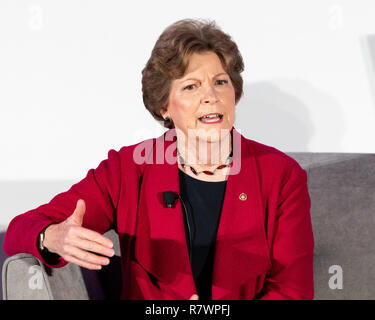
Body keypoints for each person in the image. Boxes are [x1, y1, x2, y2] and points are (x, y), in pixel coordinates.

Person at [3, 18, 314, 300]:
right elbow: (20, 229)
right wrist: (53, 236)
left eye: (220, 81)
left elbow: (292, 291)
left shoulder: (280, 176)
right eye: (192, 86)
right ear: (164, 106)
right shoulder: (128, 169)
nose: (211, 95)